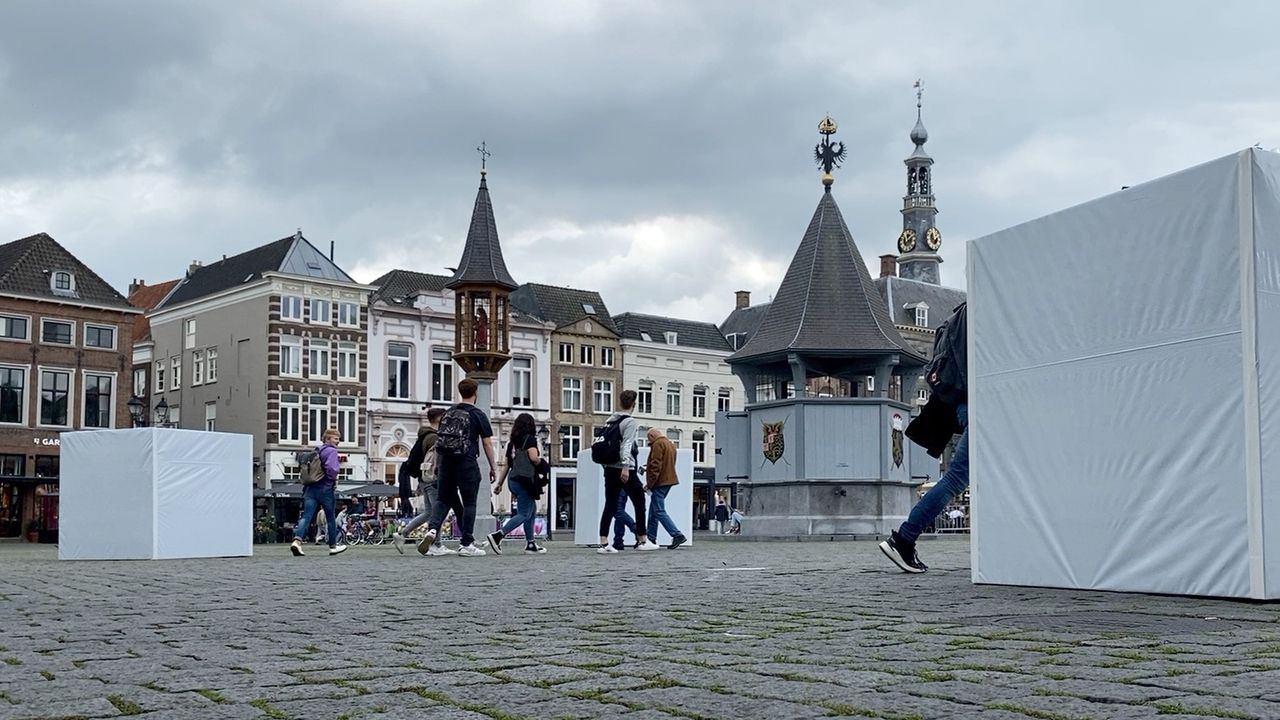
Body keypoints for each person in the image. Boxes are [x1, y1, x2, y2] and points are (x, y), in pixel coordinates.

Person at [880, 303, 967, 573]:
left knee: (961, 478)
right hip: (982, 402)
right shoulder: (982, 310)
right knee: (956, 478)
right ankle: (904, 538)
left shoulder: (957, 315)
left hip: (962, 403)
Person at [420, 378, 496, 557]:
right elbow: (487, 444)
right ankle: (466, 543)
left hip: (446, 462)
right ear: (475, 393)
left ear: (460, 392)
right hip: (466, 462)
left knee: (443, 499)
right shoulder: (478, 414)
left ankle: (432, 530)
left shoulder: (448, 413)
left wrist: (439, 465)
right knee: (469, 502)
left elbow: (440, 441)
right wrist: (493, 466)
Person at [597, 390, 659, 553]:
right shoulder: (629, 422)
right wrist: (625, 466)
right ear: (634, 405)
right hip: (625, 469)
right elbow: (626, 445)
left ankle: (603, 542)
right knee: (639, 502)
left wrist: (608, 466)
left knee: (610, 505)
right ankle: (642, 540)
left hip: (610, 469)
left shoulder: (610, 421)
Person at [392, 409, 460, 556]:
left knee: (429, 512)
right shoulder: (434, 438)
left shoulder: (423, 435)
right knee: (438, 513)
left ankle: (403, 533)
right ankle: (436, 544)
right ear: (440, 419)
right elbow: (435, 461)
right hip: (433, 479)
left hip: (424, 479)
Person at [486, 412, 547, 555]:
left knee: (531, 511)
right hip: (525, 481)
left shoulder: (512, 443)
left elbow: (507, 465)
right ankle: (498, 535)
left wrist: (499, 484)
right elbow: (533, 458)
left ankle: (531, 544)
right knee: (524, 513)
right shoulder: (530, 440)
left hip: (513, 480)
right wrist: (542, 463)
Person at [290, 428, 347, 557]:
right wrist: (332, 480)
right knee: (330, 517)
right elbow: (332, 469)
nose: (338, 442)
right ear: (328, 439)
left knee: (306, 516)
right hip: (325, 489)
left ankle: (297, 541)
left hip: (310, 489)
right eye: (336, 439)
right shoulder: (331, 451)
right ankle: (333, 546)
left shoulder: (317, 450)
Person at [644, 428, 687, 549]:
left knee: (658, 510)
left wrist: (650, 483)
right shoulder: (670, 444)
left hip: (660, 482)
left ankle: (677, 534)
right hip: (669, 480)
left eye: (649, 440)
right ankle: (651, 539)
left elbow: (655, 465)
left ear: (652, 436)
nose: (649, 443)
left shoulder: (657, 444)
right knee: (654, 511)